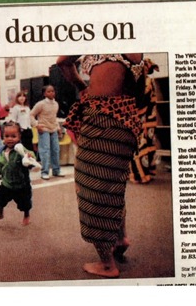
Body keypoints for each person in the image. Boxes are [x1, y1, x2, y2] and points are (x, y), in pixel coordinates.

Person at [57, 53, 145, 278]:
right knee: (111, 184)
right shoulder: (131, 39)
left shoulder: (100, 31)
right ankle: (120, 238)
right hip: (125, 119)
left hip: (103, 119)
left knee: (92, 189)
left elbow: (63, 61)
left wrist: (81, 86)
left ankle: (107, 264)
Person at [0, 121, 38, 226]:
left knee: (25, 203)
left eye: (13, 136)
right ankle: (0, 214)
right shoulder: (2, 151)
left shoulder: (20, 149)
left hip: (21, 184)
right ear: (2, 137)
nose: (10, 139)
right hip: (7, 183)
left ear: (19, 136)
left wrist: (30, 157)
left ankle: (26, 215)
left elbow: (30, 155)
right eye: (7, 136)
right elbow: (0, 164)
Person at [130, 58, 160, 184]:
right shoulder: (146, 81)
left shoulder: (146, 81)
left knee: (141, 147)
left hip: (143, 118)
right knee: (144, 146)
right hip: (147, 119)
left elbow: (142, 101)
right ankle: (145, 173)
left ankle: (141, 174)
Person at [30, 85, 64, 180]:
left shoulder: (56, 104)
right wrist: (36, 124)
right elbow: (31, 114)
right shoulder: (40, 104)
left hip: (53, 129)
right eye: (49, 91)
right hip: (43, 129)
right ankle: (44, 172)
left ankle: (56, 170)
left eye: (53, 91)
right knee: (45, 151)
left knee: (56, 150)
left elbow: (54, 117)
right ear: (44, 93)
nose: (51, 93)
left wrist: (58, 128)